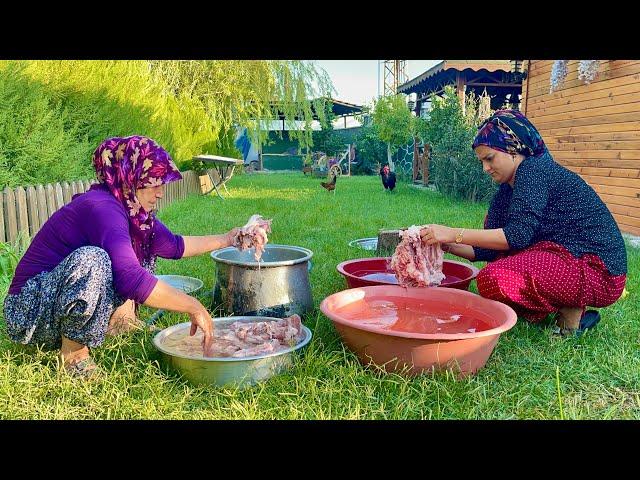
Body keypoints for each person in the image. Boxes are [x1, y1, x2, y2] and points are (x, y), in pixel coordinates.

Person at [3, 136, 241, 378]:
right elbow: (130, 278)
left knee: (140, 249)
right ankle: (73, 355)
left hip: (54, 309)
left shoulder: (135, 214)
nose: (160, 193)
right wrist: (193, 306)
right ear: (129, 177)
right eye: (152, 183)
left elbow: (174, 246)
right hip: (29, 314)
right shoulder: (102, 208)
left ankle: (118, 324)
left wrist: (229, 239)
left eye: (162, 183)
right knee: (93, 260)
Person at [420, 110, 627, 336]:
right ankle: (567, 303)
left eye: (489, 159)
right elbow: (487, 249)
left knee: (492, 279)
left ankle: (572, 310)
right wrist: (442, 242)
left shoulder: (533, 170)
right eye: (482, 162)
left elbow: (515, 236)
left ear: (515, 150)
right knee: (497, 274)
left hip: (600, 271)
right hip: (564, 258)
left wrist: (451, 233)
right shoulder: (507, 188)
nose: (485, 169)